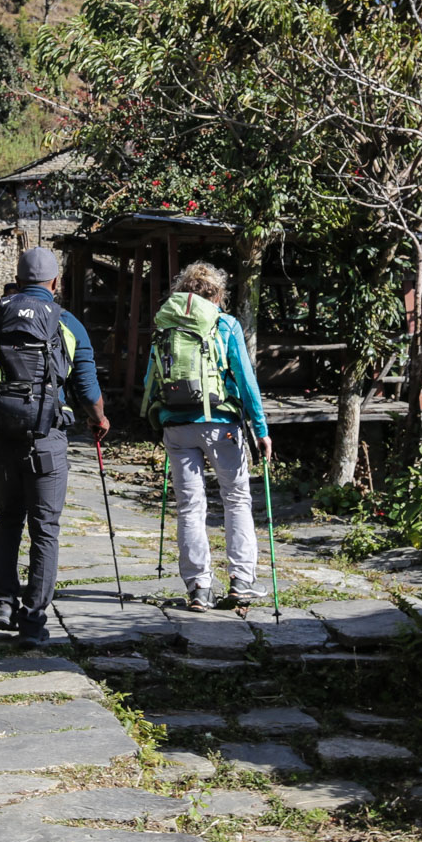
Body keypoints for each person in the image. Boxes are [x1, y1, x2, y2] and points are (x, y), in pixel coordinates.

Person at [0, 246, 108, 641]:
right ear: (55, 283)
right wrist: (100, 420)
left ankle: (5, 604)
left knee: (8, 519)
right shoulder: (67, 324)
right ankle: (33, 620)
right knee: (45, 528)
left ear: (18, 277)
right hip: (46, 439)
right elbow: (88, 391)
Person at [141, 261, 271, 612]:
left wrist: (159, 420)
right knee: (237, 499)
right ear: (217, 294)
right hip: (221, 425)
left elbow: (149, 381)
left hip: (177, 426)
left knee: (190, 506)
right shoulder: (225, 324)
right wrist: (260, 429)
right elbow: (245, 379)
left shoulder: (166, 326)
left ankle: (199, 587)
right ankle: (242, 581)